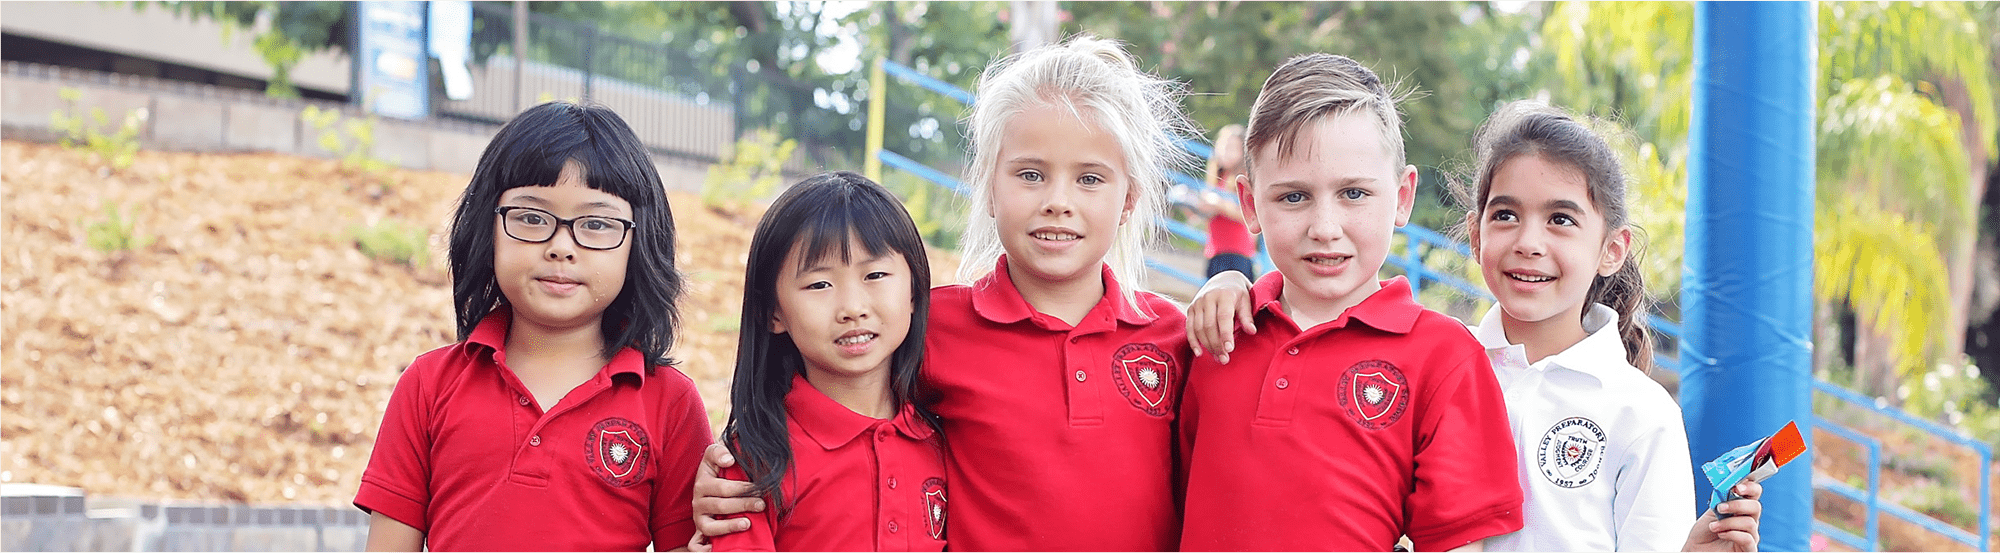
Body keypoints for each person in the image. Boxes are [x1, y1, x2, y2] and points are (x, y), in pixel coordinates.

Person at [1186, 100, 1768, 552]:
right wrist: (1233, 282)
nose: (1529, 243)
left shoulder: (1639, 412)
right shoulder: (1427, 361)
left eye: (1561, 219)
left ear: (1612, 249)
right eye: (1506, 214)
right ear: (1474, 233)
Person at [691, 35, 1199, 552]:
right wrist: (732, 471)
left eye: (1090, 178)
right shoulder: (932, 323)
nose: (1057, 202)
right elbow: (823, 402)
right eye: (1030, 174)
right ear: (988, 187)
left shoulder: (1178, 336)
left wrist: (1229, 285)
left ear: (1130, 196)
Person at [1175, 53, 1525, 552]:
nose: (1324, 227)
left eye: (1354, 193)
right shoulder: (1217, 337)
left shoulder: (1445, 358)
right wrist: (1226, 281)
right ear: (1250, 205)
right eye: (1293, 197)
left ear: (1402, 196)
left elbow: (1458, 541)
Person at [355, 102, 710, 552]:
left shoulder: (671, 403)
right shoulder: (428, 386)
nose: (561, 247)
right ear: (488, 228)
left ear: (639, 243)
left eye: (597, 223)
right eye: (531, 218)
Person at [707, 172, 947, 552]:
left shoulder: (946, 436)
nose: (852, 308)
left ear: (915, 291)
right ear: (773, 312)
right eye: (820, 284)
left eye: (876, 274)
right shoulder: (755, 461)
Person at [1185, 124, 1259, 278]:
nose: (1226, 152)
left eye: (1232, 148)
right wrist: (1194, 209)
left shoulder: (1244, 179)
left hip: (1237, 255)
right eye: (1223, 146)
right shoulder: (1217, 180)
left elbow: (1251, 216)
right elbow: (1206, 216)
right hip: (1215, 252)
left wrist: (1220, 205)